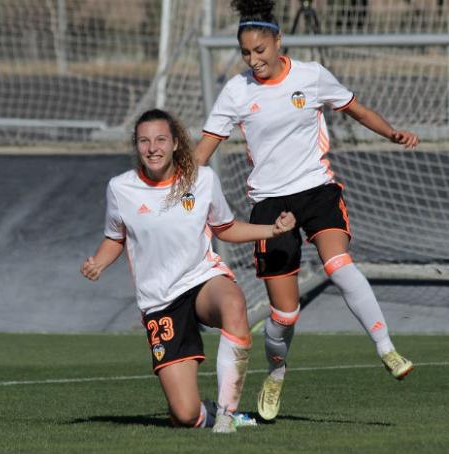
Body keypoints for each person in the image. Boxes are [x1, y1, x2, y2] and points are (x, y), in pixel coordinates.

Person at [194, 0, 417, 422]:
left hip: (317, 190)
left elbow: (356, 108)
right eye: (246, 53)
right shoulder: (237, 91)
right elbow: (204, 150)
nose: (254, 59)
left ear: (279, 41)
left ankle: (386, 348)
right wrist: (175, 186)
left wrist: (392, 133)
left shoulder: (312, 76)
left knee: (339, 264)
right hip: (269, 205)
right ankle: (276, 374)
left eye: (260, 50)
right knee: (285, 313)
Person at [80, 108, 296, 433]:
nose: (153, 148)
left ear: (176, 143)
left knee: (233, 304)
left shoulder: (202, 178)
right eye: (144, 141)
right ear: (136, 146)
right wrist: (98, 262)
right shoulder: (120, 188)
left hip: (201, 279)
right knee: (184, 416)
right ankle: (207, 414)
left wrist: (272, 231)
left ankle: (226, 414)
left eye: (160, 140)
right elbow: (115, 237)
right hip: (160, 300)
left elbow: (225, 227)